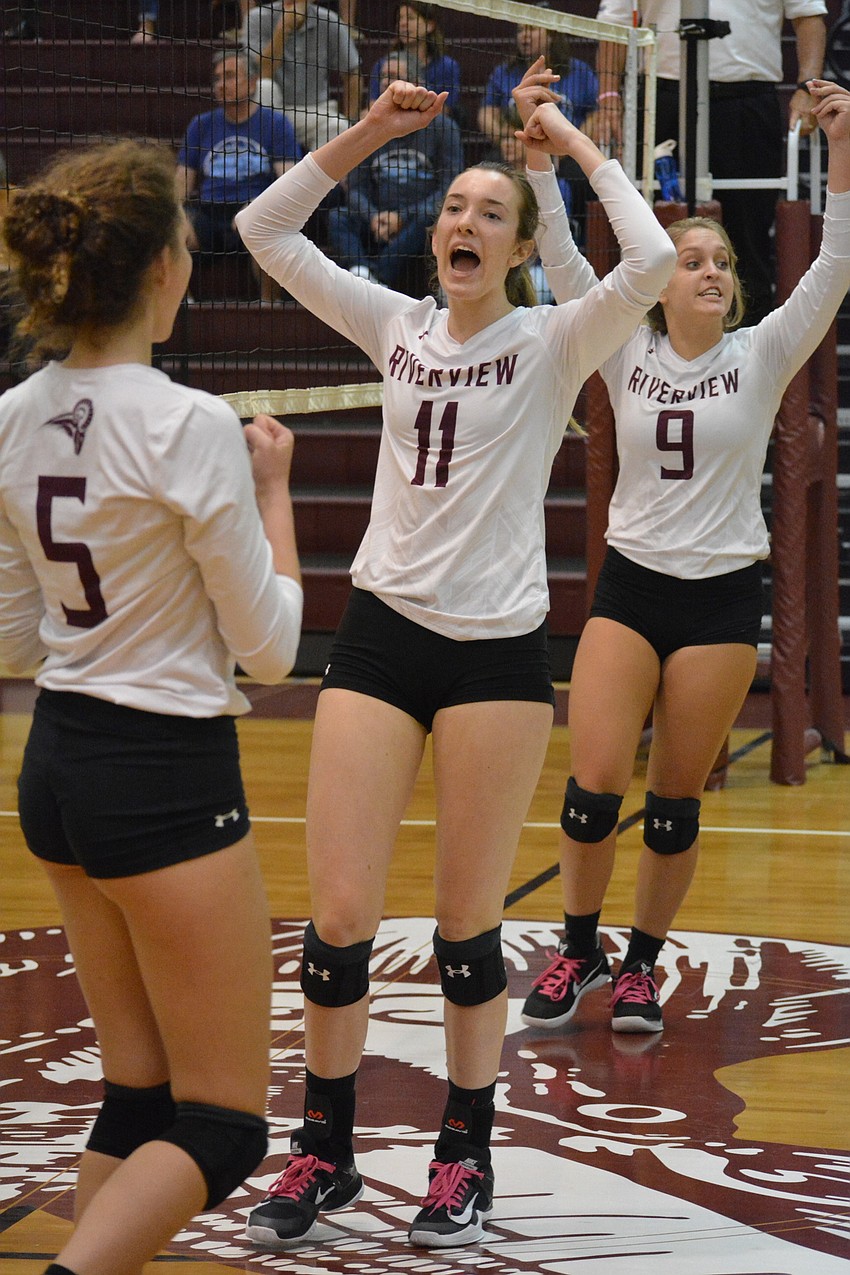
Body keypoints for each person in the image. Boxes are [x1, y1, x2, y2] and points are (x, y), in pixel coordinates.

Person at [235, 78, 675, 1247]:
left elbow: (645, 258)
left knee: (465, 929)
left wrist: (560, 149)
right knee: (335, 918)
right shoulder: (392, 323)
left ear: (520, 246)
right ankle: (321, 1151)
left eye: (491, 213)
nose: (466, 223)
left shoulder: (549, 335)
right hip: (380, 635)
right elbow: (262, 231)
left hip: (493, 658)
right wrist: (373, 134)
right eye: (455, 209)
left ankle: (460, 1155)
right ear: (434, 235)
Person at [0, 137, 303, 1275]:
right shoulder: (188, 427)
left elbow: (15, 635)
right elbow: (271, 653)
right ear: (166, 269)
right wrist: (275, 494)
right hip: (162, 776)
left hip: (57, 763)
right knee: (223, 1127)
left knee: (138, 1095)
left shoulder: (14, 416)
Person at [518, 78, 850, 1037]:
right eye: (690, 259)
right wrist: (542, 168)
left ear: (735, 289)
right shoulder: (624, 348)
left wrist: (841, 150)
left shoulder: (764, 351)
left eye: (720, 264)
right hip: (629, 588)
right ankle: (576, 948)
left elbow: (834, 260)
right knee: (591, 790)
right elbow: (566, 263)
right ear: (660, 280)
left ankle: (639, 966)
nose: (707, 271)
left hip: (717, 599)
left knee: (671, 803)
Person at [586, 0, 827, 324]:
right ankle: (654, 348)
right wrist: (608, 98)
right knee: (654, 236)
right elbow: (613, 25)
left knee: (748, 239)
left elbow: (809, 16)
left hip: (747, 104)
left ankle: (747, 350)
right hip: (662, 100)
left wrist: (806, 87)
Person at [327, 50, 463, 294]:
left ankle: (376, 279)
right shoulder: (369, 127)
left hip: (420, 221)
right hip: (376, 219)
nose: (386, 83)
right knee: (338, 216)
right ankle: (361, 272)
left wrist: (402, 217)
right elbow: (356, 187)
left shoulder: (443, 127)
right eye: (383, 77)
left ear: (417, 85)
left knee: (431, 217)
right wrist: (372, 216)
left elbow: (450, 189)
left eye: (394, 77)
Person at [175, 47, 302, 302]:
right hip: (210, 212)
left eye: (231, 76)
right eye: (218, 78)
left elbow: (291, 182)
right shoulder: (201, 125)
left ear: (253, 82)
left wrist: (260, 206)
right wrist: (172, 211)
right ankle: (183, 309)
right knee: (172, 229)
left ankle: (269, 307)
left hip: (254, 208)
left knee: (265, 227)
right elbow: (181, 183)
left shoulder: (275, 124)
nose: (222, 85)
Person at [477, 2, 598, 156]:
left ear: (551, 35)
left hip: (568, 154)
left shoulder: (580, 71)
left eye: (532, 29)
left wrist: (570, 146)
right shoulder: (504, 72)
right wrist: (510, 139)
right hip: (515, 148)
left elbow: (596, 115)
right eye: (520, 30)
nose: (524, 35)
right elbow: (486, 114)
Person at [242, 0, 362, 151]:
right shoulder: (257, 17)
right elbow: (262, 73)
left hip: (315, 111)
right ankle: (259, 167)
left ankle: (314, 175)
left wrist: (351, 119)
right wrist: (284, 28)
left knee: (339, 125)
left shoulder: (329, 20)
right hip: (273, 111)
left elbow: (352, 73)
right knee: (264, 86)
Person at [367, 2, 462, 118]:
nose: (403, 23)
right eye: (400, 19)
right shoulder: (384, 64)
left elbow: (443, 109)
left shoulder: (447, 66)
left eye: (410, 18)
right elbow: (374, 107)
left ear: (429, 25)